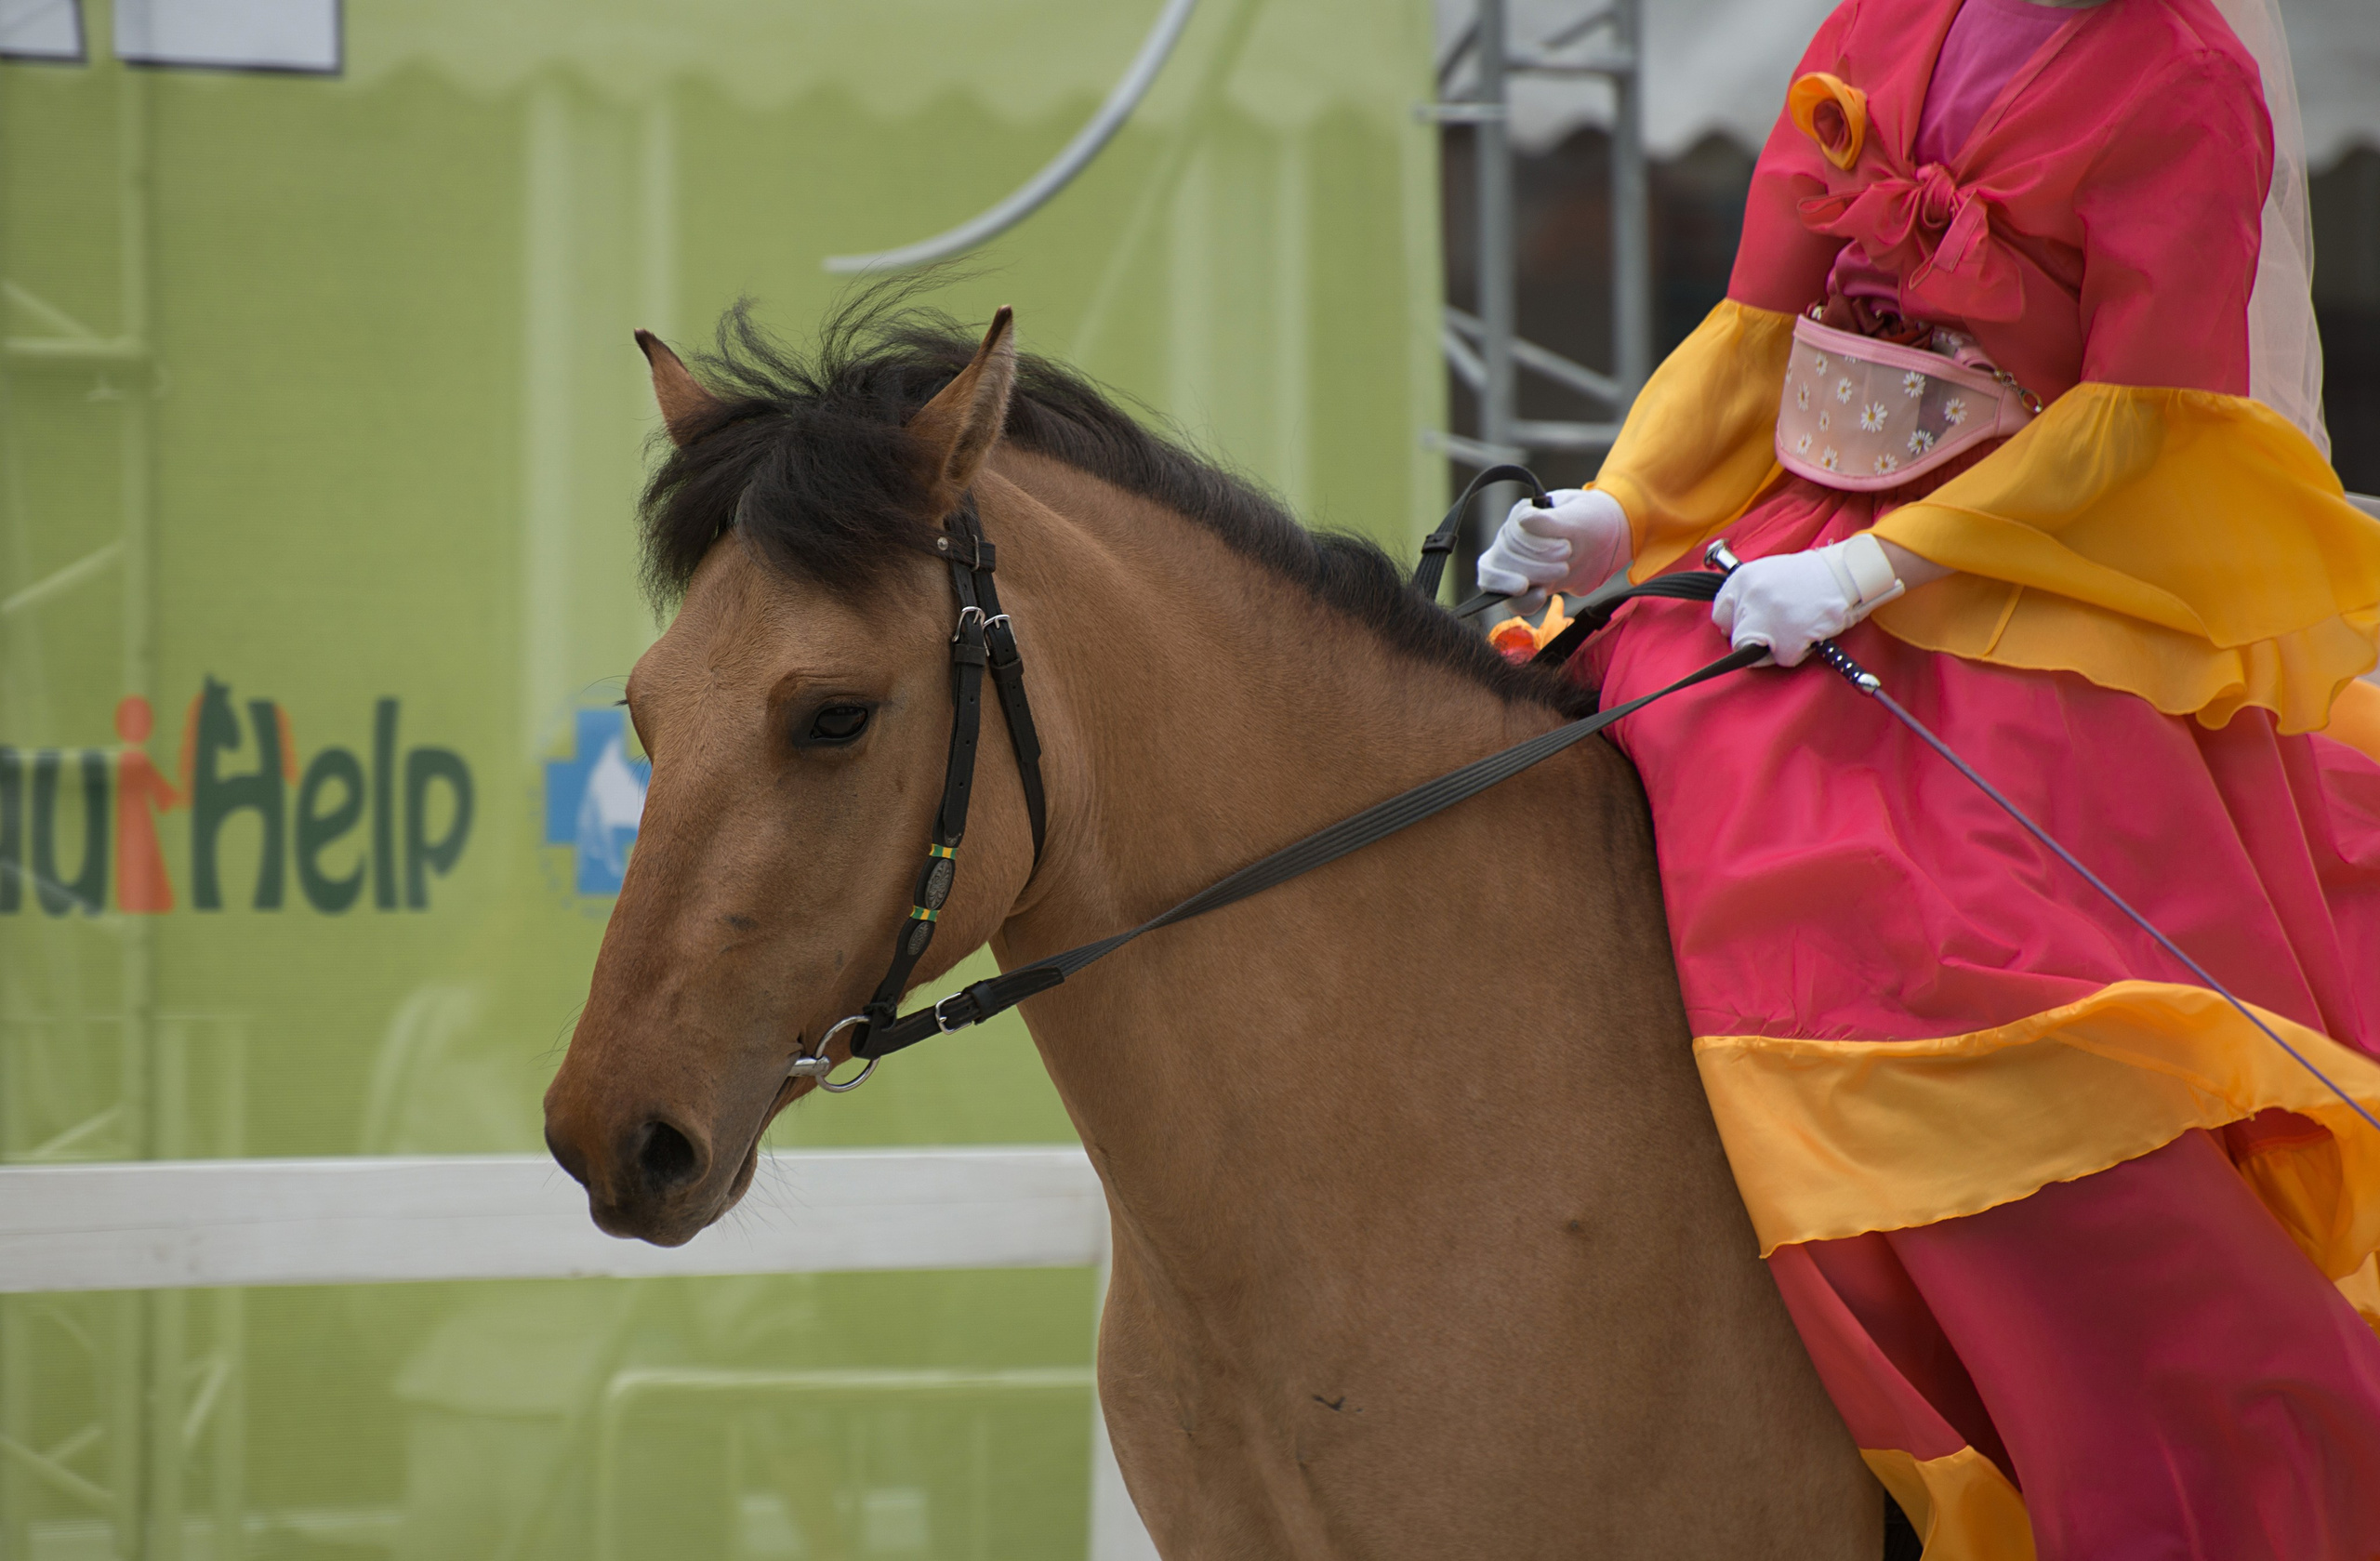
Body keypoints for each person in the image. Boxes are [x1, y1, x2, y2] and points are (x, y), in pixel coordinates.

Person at [1476, 0, 2380, 1554]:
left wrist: (1887, 568)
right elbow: (1758, 332)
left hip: (2021, 577)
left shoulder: (2190, 79)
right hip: (1791, 543)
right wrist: (1623, 518)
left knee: (1995, 966)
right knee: (1564, 732)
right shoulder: (1872, 19)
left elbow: (2144, 420)